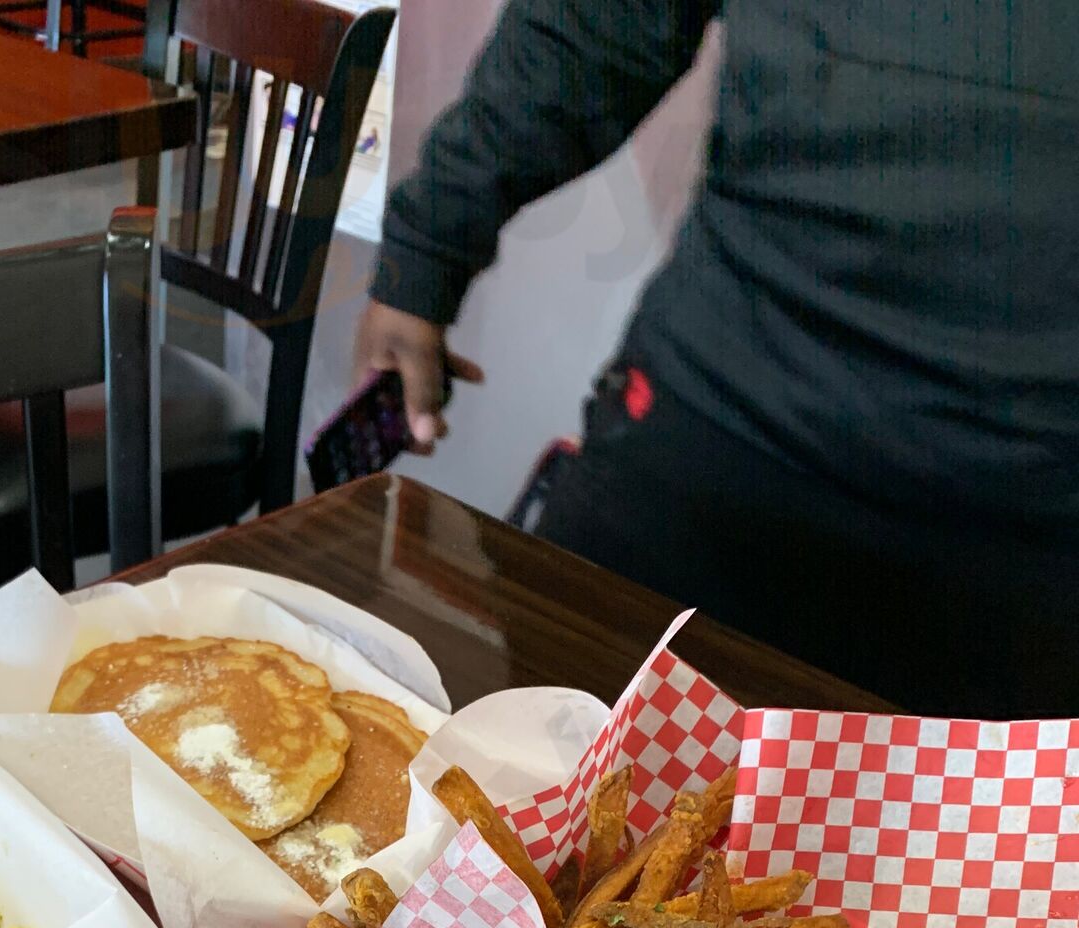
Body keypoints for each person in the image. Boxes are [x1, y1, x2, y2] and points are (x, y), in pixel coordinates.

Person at [356, 3, 1078, 716]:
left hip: (1027, 548)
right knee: (551, 782)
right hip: (712, 436)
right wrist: (427, 253)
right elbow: (595, 25)